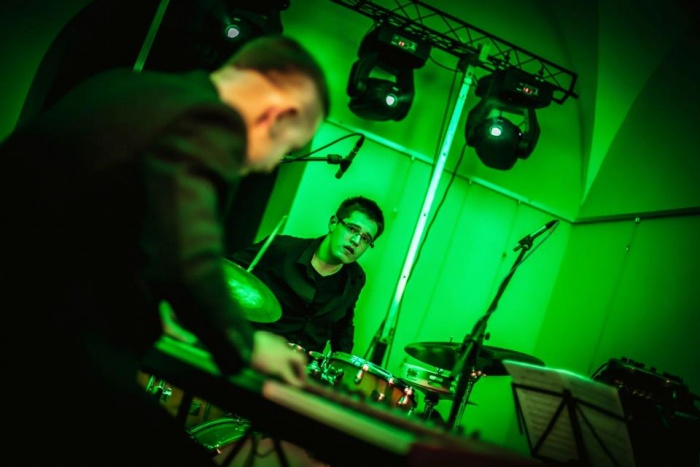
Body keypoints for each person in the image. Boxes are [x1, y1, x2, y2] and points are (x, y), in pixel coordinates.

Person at [0, 35, 329, 465]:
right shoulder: (209, 120)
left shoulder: (119, 84)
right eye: (287, 147)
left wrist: (151, 307)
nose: (270, 165)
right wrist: (249, 346)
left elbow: (89, 228)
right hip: (42, 355)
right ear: (277, 115)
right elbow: (188, 257)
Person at [227, 196, 385, 355]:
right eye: (352, 229)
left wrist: (343, 362)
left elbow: (343, 324)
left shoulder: (355, 278)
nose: (356, 241)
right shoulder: (280, 248)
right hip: (254, 352)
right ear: (333, 223)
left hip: (303, 365)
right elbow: (226, 273)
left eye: (365, 238)